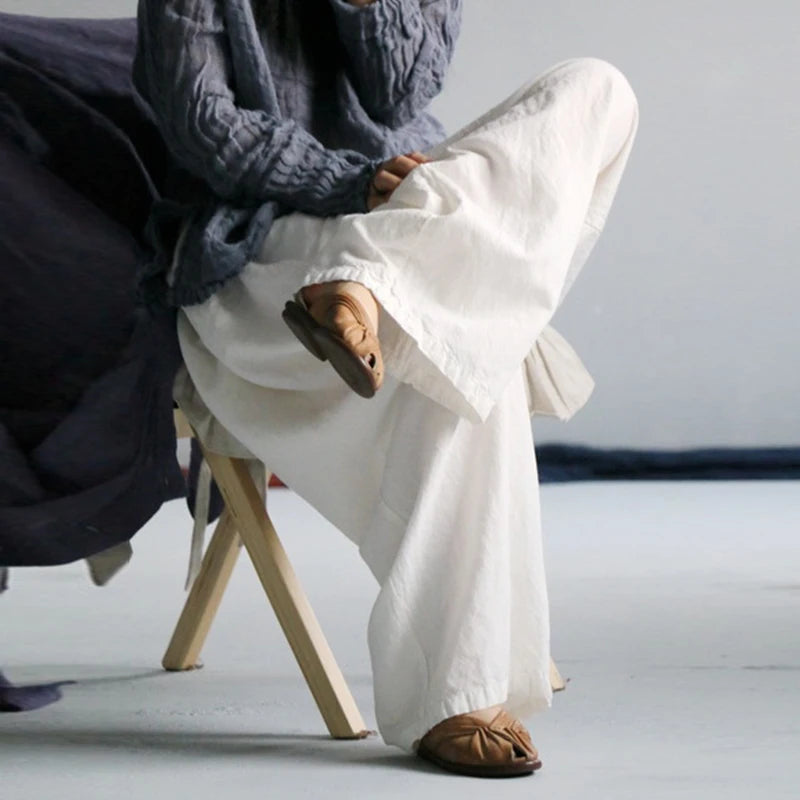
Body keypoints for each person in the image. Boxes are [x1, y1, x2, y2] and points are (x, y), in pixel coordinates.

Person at [134, 0, 638, 778]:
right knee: (454, 342)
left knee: (599, 90)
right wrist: (356, 180)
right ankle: (453, 696)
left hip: (412, 219)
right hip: (263, 242)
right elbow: (204, 127)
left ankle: (371, 282)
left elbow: (402, 92)